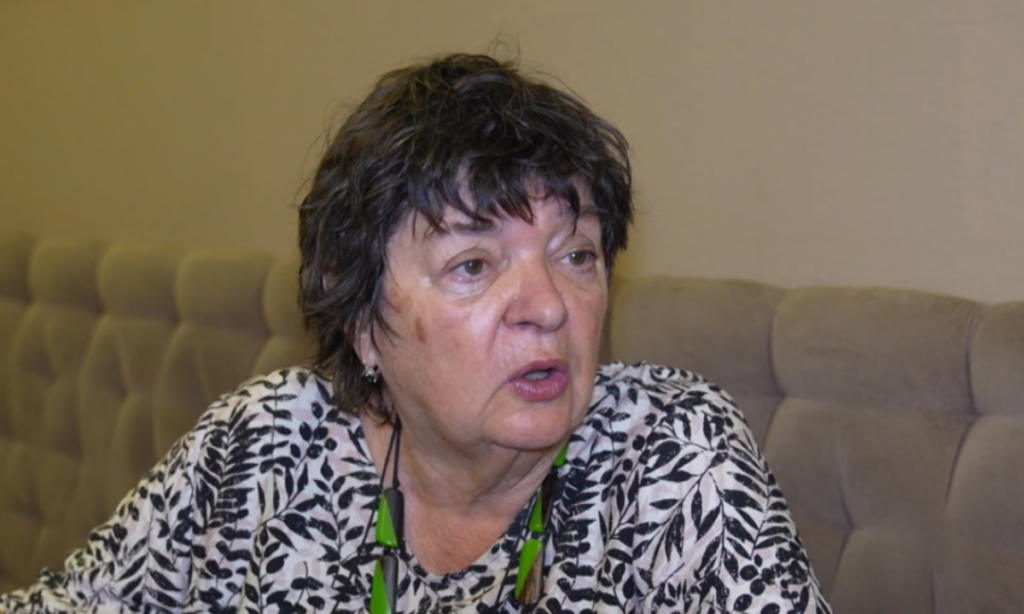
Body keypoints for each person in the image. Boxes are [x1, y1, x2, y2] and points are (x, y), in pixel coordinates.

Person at [0, 53, 831, 614]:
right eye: (473, 265)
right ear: (362, 319)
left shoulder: (672, 461)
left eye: (575, 255)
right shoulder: (264, 447)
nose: (548, 306)